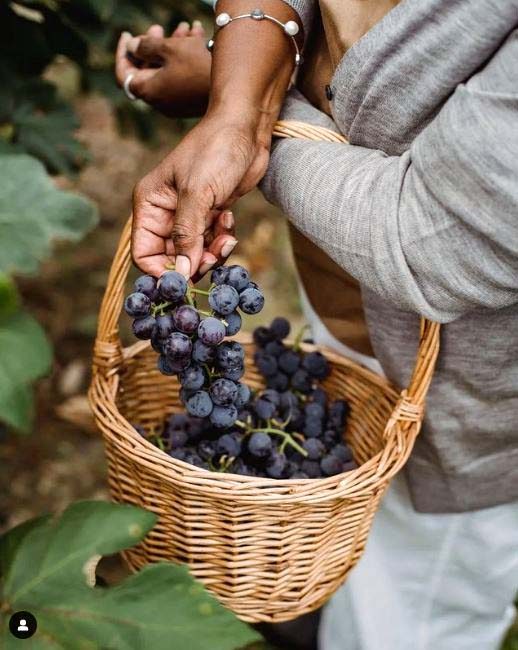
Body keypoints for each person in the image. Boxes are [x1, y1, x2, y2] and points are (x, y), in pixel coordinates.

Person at [115, 2, 518, 649]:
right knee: (342, 491)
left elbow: (432, 241)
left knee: (420, 609)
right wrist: (239, 90)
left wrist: (245, 115)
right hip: (349, 297)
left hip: (475, 400)